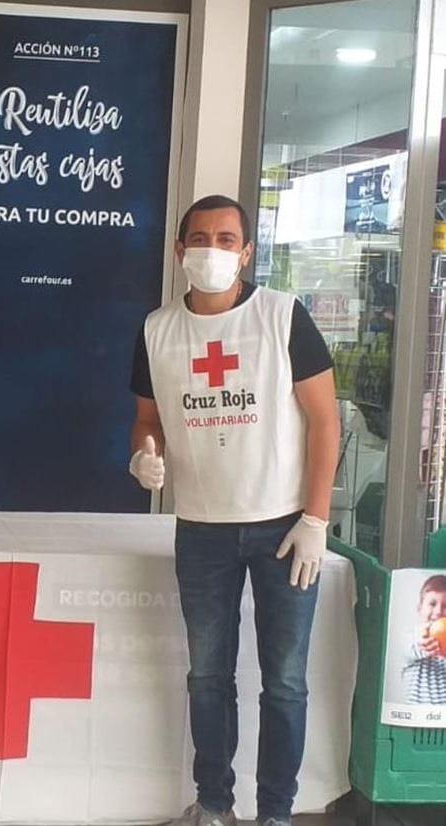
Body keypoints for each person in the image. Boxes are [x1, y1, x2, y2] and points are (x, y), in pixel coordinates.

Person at [129, 195, 340, 826]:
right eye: (200, 238)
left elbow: (325, 422)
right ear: (178, 251)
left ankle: (275, 813)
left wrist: (316, 520)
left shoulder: (283, 317)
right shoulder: (157, 331)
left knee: (285, 681)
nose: (212, 250)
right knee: (207, 678)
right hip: (201, 529)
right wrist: (145, 456)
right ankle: (215, 805)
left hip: (284, 527)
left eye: (227, 240)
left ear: (247, 252)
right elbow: (147, 421)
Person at [402, 574, 446, 704]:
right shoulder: (412, 637)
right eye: (432, 604)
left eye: (445, 606)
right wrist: (424, 643)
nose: (438, 611)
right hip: (415, 712)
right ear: (419, 608)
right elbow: (410, 648)